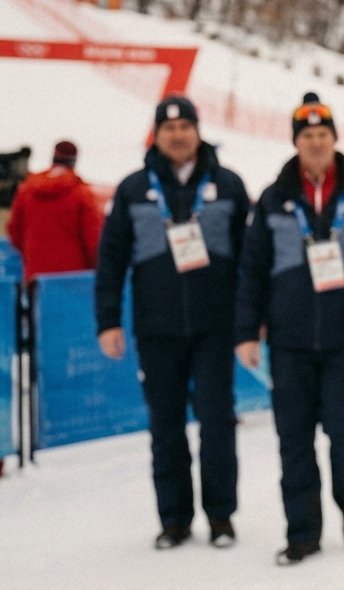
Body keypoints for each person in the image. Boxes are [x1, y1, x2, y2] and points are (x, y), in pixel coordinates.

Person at [234, 92, 344, 566]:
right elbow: (252, 269)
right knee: (294, 440)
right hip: (288, 344)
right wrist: (247, 332)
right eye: (306, 136)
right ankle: (302, 532)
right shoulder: (273, 198)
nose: (315, 142)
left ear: (334, 140)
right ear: (296, 142)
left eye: (322, 134)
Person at [94, 96, 251, 550]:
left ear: (198, 131)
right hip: (156, 329)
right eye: (168, 128)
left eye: (185, 126)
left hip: (215, 328)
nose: (177, 135)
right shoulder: (132, 189)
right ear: (156, 135)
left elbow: (252, 260)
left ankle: (221, 517)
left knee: (218, 423)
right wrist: (108, 321)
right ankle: (175, 519)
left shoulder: (229, 184)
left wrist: (250, 321)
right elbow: (111, 261)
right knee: (165, 426)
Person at [6, 140, 102, 284]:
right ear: (74, 161)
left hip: (35, 279)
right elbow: (93, 242)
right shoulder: (82, 194)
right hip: (73, 279)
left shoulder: (26, 190)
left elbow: (14, 231)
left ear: (53, 158)